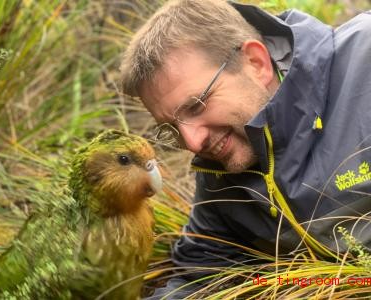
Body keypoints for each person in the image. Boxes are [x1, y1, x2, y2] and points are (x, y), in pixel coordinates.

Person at [120, 0, 371, 298]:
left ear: (256, 63)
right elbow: (201, 275)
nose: (192, 143)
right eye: (171, 128)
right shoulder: (219, 171)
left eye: (197, 104)